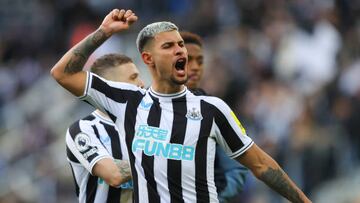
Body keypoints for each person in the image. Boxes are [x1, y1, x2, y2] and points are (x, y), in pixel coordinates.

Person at [51, 9, 311, 203]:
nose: (180, 52)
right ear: (148, 59)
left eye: (181, 45)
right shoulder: (127, 102)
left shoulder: (211, 109)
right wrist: (104, 32)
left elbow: (260, 164)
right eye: (168, 46)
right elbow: (62, 73)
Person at [66, 54, 144, 203]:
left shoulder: (148, 125)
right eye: (133, 78)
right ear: (110, 86)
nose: (141, 84)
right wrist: (162, 162)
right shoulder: (84, 129)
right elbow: (114, 175)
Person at [181, 31, 248, 203]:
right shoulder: (147, 108)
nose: (195, 67)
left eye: (200, 61)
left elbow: (236, 168)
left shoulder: (214, 110)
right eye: (188, 60)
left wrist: (214, 198)